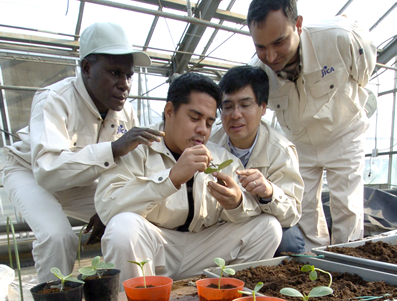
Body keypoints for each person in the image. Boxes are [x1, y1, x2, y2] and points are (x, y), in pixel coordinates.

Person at [3, 22, 163, 282]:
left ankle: (128, 296)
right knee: (57, 236)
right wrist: (113, 148)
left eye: (129, 75)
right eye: (114, 72)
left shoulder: (126, 112)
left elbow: (128, 173)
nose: (125, 84)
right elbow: (48, 171)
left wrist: (108, 206)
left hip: (79, 179)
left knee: (130, 214)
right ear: (87, 68)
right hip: (29, 172)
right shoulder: (54, 98)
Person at [95, 72, 283, 284]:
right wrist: (171, 178)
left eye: (209, 123)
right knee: (123, 228)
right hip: (156, 247)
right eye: (194, 118)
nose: (202, 130)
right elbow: (108, 207)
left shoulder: (219, 157)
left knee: (268, 227)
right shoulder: (136, 148)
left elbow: (248, 210)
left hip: (202, 248)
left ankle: (224, 293)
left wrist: (237, 203)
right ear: (169, 111)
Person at [247, 0, 377, 248]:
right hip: (300, 141)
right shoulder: (258, 72)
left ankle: (348, 260)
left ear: (298, 24)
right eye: (261, 47)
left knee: (347, 205)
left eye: (279, 42)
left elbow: (364, 68)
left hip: (344, 132)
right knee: (304, 208)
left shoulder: (338, 38)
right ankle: (315, 265)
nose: (271, 56)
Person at [210, 65, 304, 256]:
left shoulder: (280, 150)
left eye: (245, 105)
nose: (235, 115)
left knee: (290, 243)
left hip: (264, 222)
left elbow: (292, 213)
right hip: (220, 223)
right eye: (227, 106)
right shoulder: (209, 142)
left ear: (262, 108)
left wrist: (269, 193)